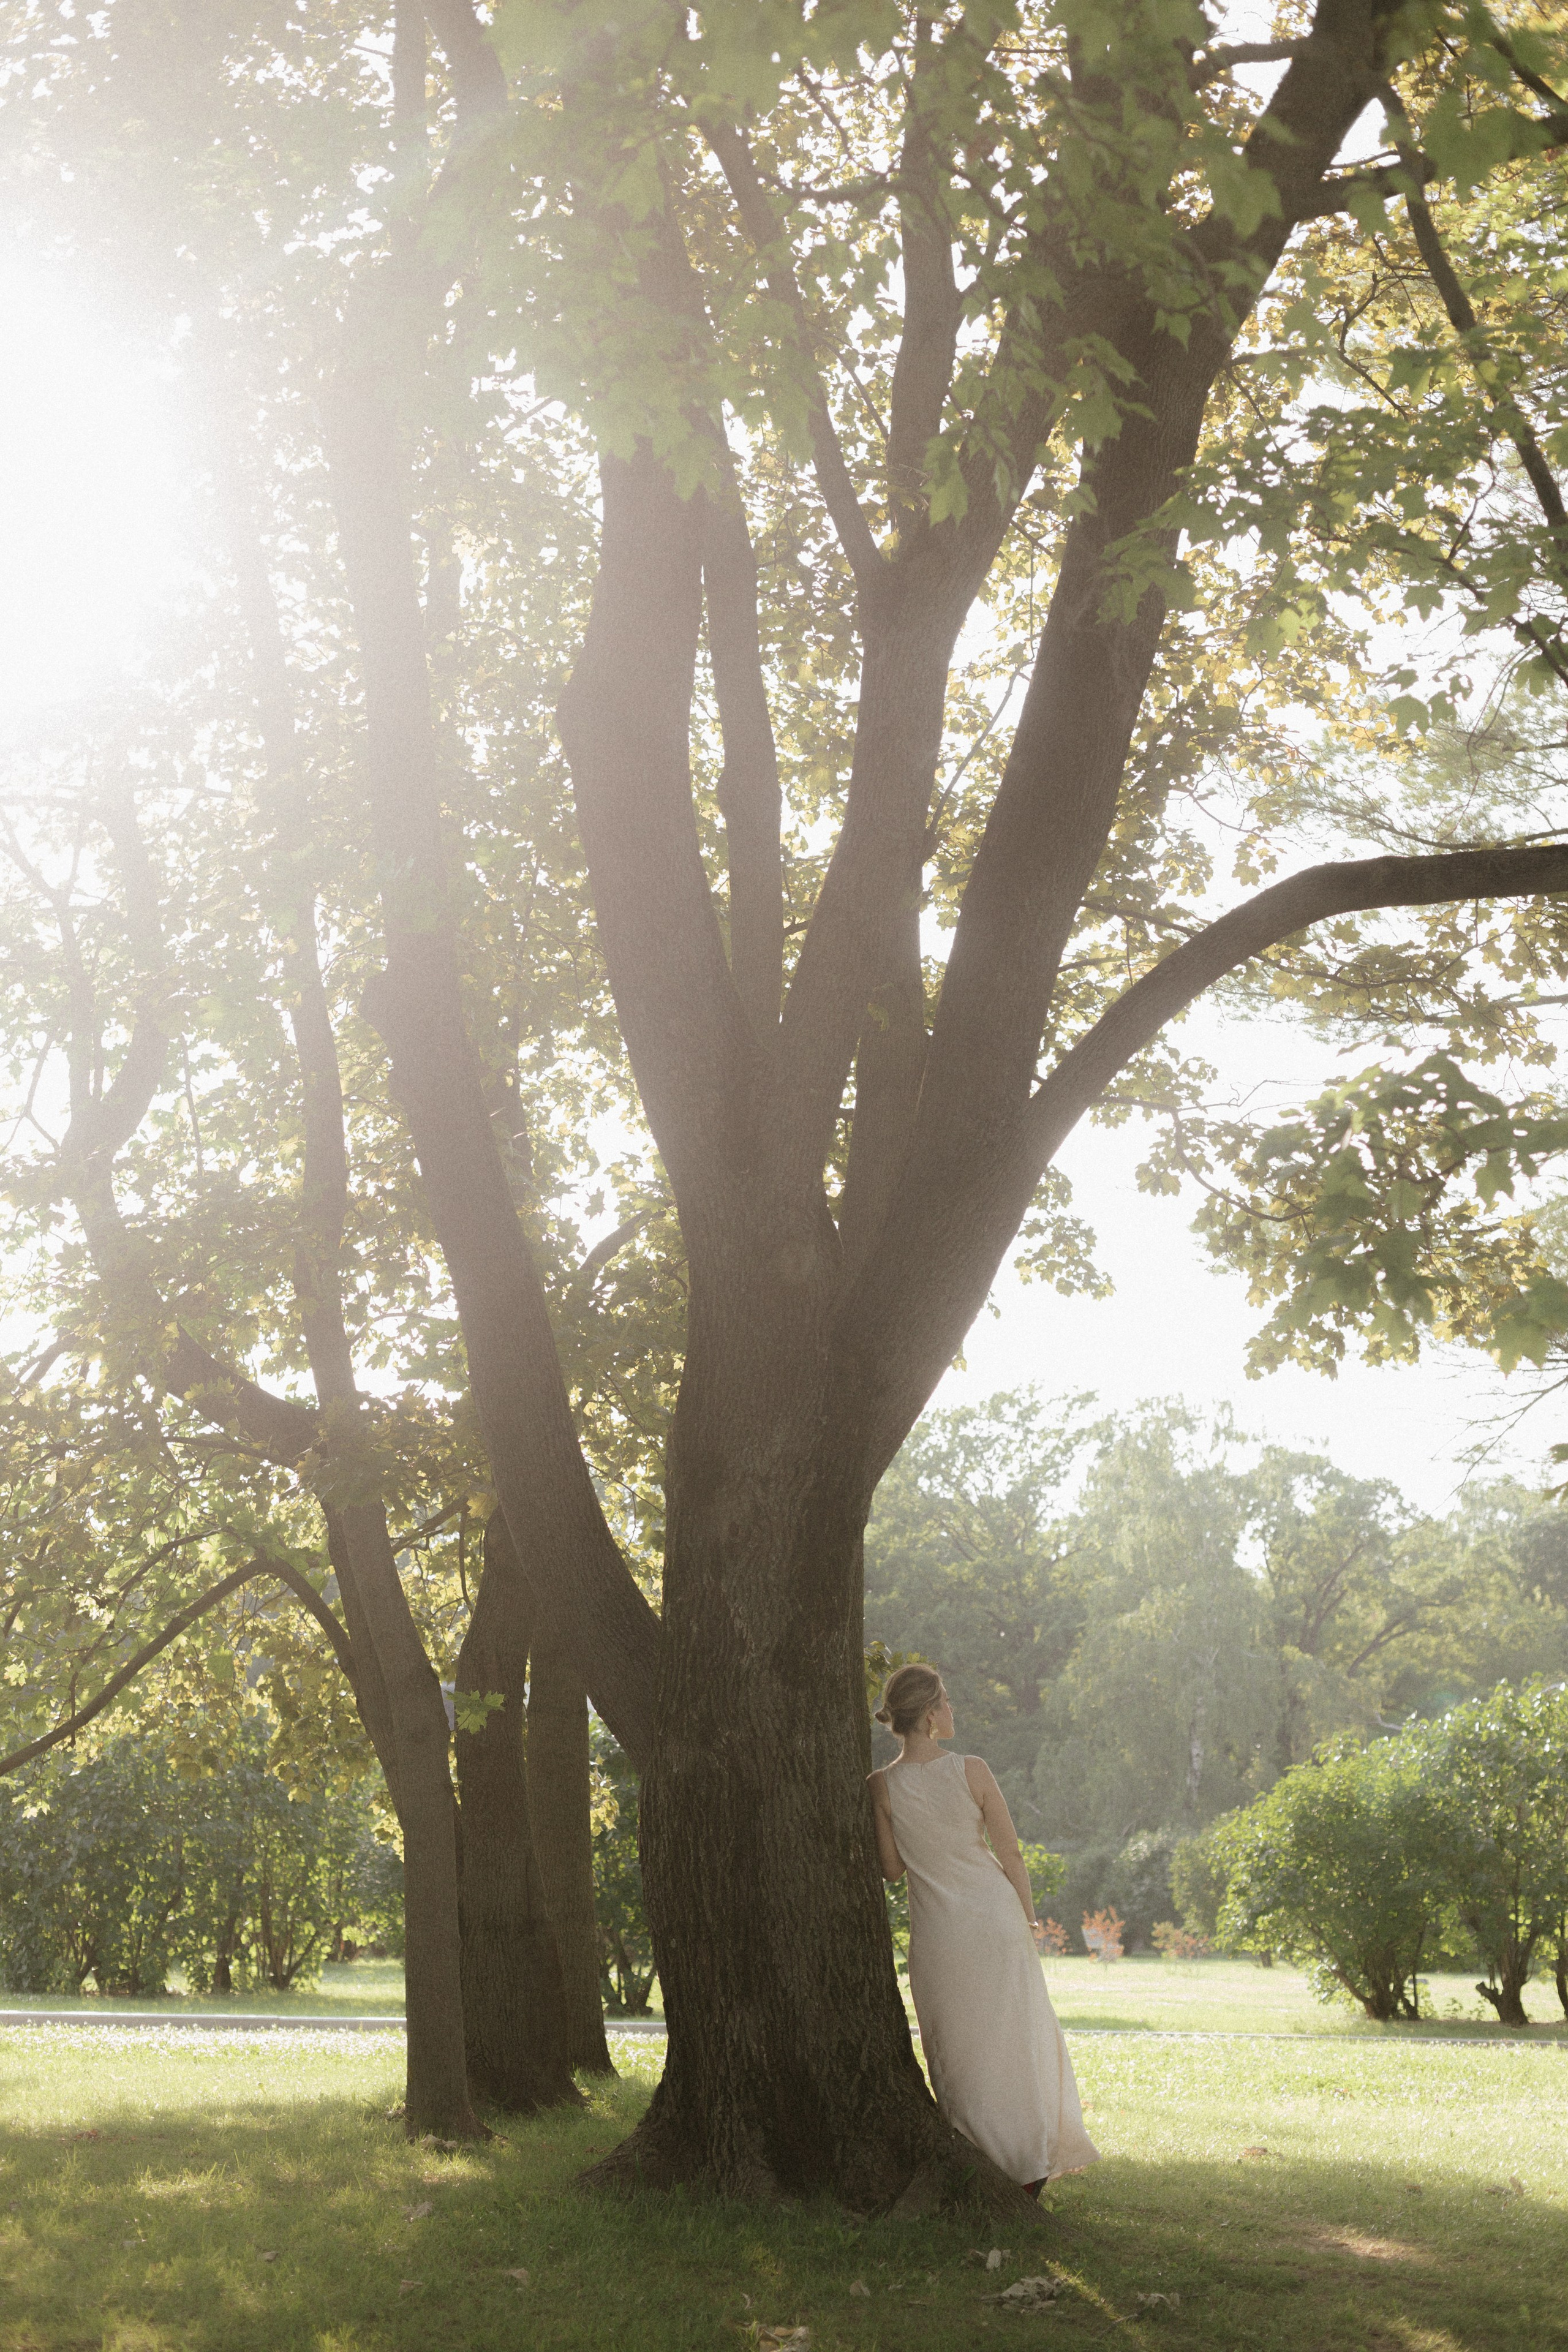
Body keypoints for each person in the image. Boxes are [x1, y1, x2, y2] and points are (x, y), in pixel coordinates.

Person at [868, 1661, 1099, 2192]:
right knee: (1016, 2042)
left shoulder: (880, 1786)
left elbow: (891, 1868)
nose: (952, 1710)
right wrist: (1028, 1916)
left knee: (957, 2050)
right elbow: (1010, 1852)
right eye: (945, 1702)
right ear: (929, 1715)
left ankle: (977, 2160)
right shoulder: (973, 1770)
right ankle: (1029, 2166)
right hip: (995, 1920)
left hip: (939, 1935)